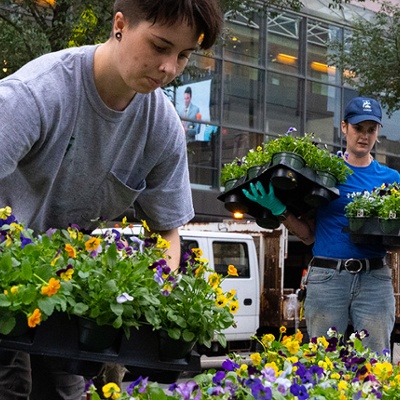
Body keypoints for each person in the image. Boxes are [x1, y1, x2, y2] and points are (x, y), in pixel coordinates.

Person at [0, 0, 223, 399]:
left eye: (184, 55)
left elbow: (168, 233)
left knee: (70, 390)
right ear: (120, 25)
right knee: (12, 386)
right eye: (159, 46)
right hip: (7, 276)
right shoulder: (35, 95)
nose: (170, 68)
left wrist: (157, 292)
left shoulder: (162, 127)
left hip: (64, 287)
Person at [243, 97, 400, 354]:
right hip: (328, 277)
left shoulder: (391, 180)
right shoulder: (325, 174)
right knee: (323, 362)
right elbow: (307, 236)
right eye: (358, 128)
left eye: (371, 129)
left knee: (375, 364)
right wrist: (279, 209)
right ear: (344, 127)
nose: (364, 135)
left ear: (378, 133)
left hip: (375, 279)